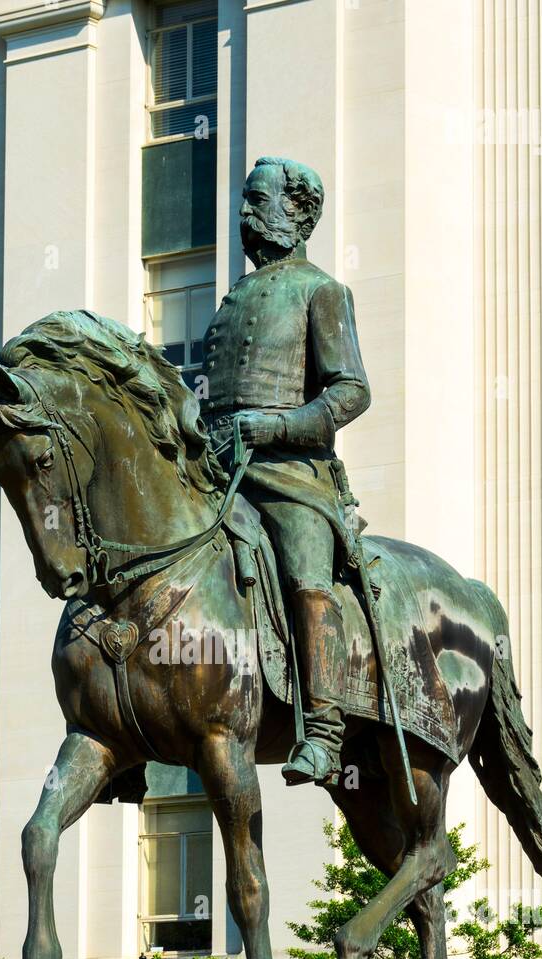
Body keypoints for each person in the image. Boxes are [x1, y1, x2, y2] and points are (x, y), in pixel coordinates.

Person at [201, 156, 371, 785]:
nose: (245, 214)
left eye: (257, 201)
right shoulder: (233, 297)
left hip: (291, 473)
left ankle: (324, 729)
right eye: (244, 202)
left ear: (298, 213)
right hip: (218, 467)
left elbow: (351, 391)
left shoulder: (322, 290)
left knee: (306, 574)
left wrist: (279, 426)